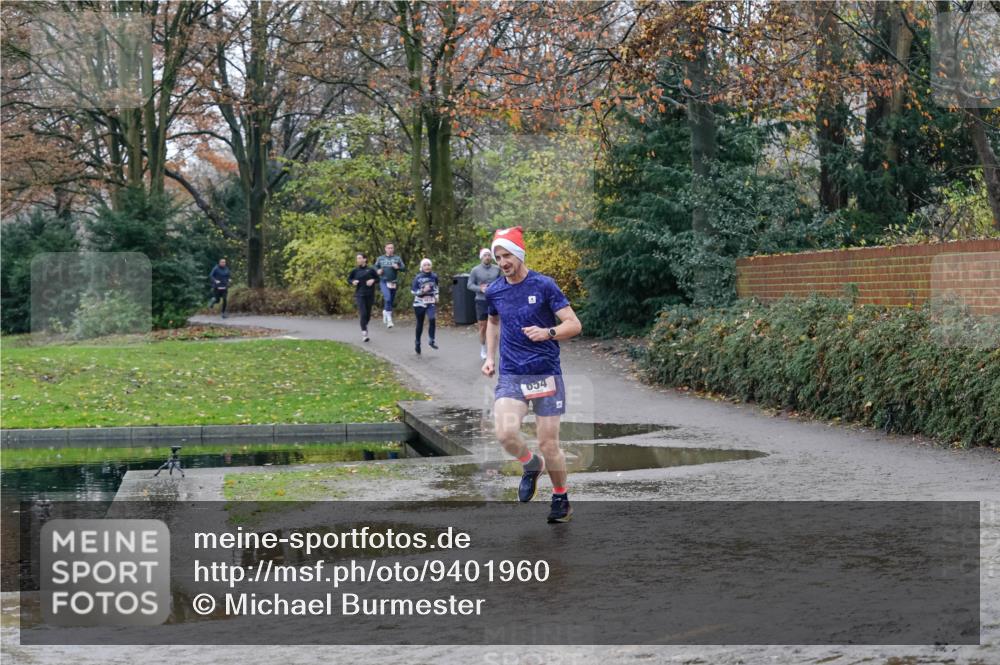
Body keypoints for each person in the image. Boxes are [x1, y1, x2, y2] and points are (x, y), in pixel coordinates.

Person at [482, 226, 582, 523]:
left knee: (549, 443)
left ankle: (561, 497)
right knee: (504, 433)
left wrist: (548, 332)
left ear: (519, 254)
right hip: (512, 373)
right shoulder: (496, 290)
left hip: (545, 373)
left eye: (507, 255)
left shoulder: (544, 285)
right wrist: (489, 357)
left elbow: (574, 324)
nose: (503, 262)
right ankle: (530, 465)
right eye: (498, 257)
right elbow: (493, 323)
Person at [467, 248, 501, 360]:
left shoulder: (497, 269)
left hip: (494, 301)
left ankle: (496, 350)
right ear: (481, 257)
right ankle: (483, 348)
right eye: (485, 255)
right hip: (481, 300)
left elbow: (502, 282)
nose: (487, 257)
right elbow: (469, 285)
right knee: (483, 326)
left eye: (489, 255)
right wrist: (480, 289)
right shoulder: (475, 270)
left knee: (496, 324)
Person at [411, 258, 439, 355]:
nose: (427, 267)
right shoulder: (418, 278)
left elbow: (436, 287)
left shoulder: (434, 276)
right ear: (421, 267)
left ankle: (432, 339)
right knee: (420, 323)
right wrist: (423, 291)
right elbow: (413, 291)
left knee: (432, 318)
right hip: (419, 303)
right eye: (425, 265)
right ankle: (417, 342)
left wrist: (436, 296)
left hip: (430, 302)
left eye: (428, 265)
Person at [348, 252, 379, 342]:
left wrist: (373, 280)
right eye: (357, 258)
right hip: (360, 295)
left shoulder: (371, 270)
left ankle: (364, 326)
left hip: (369, 294)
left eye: (360, 258)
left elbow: (378, 279)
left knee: (368, 316)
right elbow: (349, 279)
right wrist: (353, 282)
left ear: (365, 259)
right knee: (363, 313)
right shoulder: (355, 271)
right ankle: (364, 333)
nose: (358, 260)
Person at [374, 243, 405, 328]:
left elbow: (404, 268)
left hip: (393, 282)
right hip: (383, 281)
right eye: (388, 248)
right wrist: (378, 271)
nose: (390, 249)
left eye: (392, 248)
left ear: (393, 249)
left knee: (390, 301)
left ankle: (385, 311)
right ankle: (389, 320)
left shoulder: (397, 258)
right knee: (387, 298)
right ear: (385, 249)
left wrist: (397, 267)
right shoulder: (380, 258)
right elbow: (375, 267)